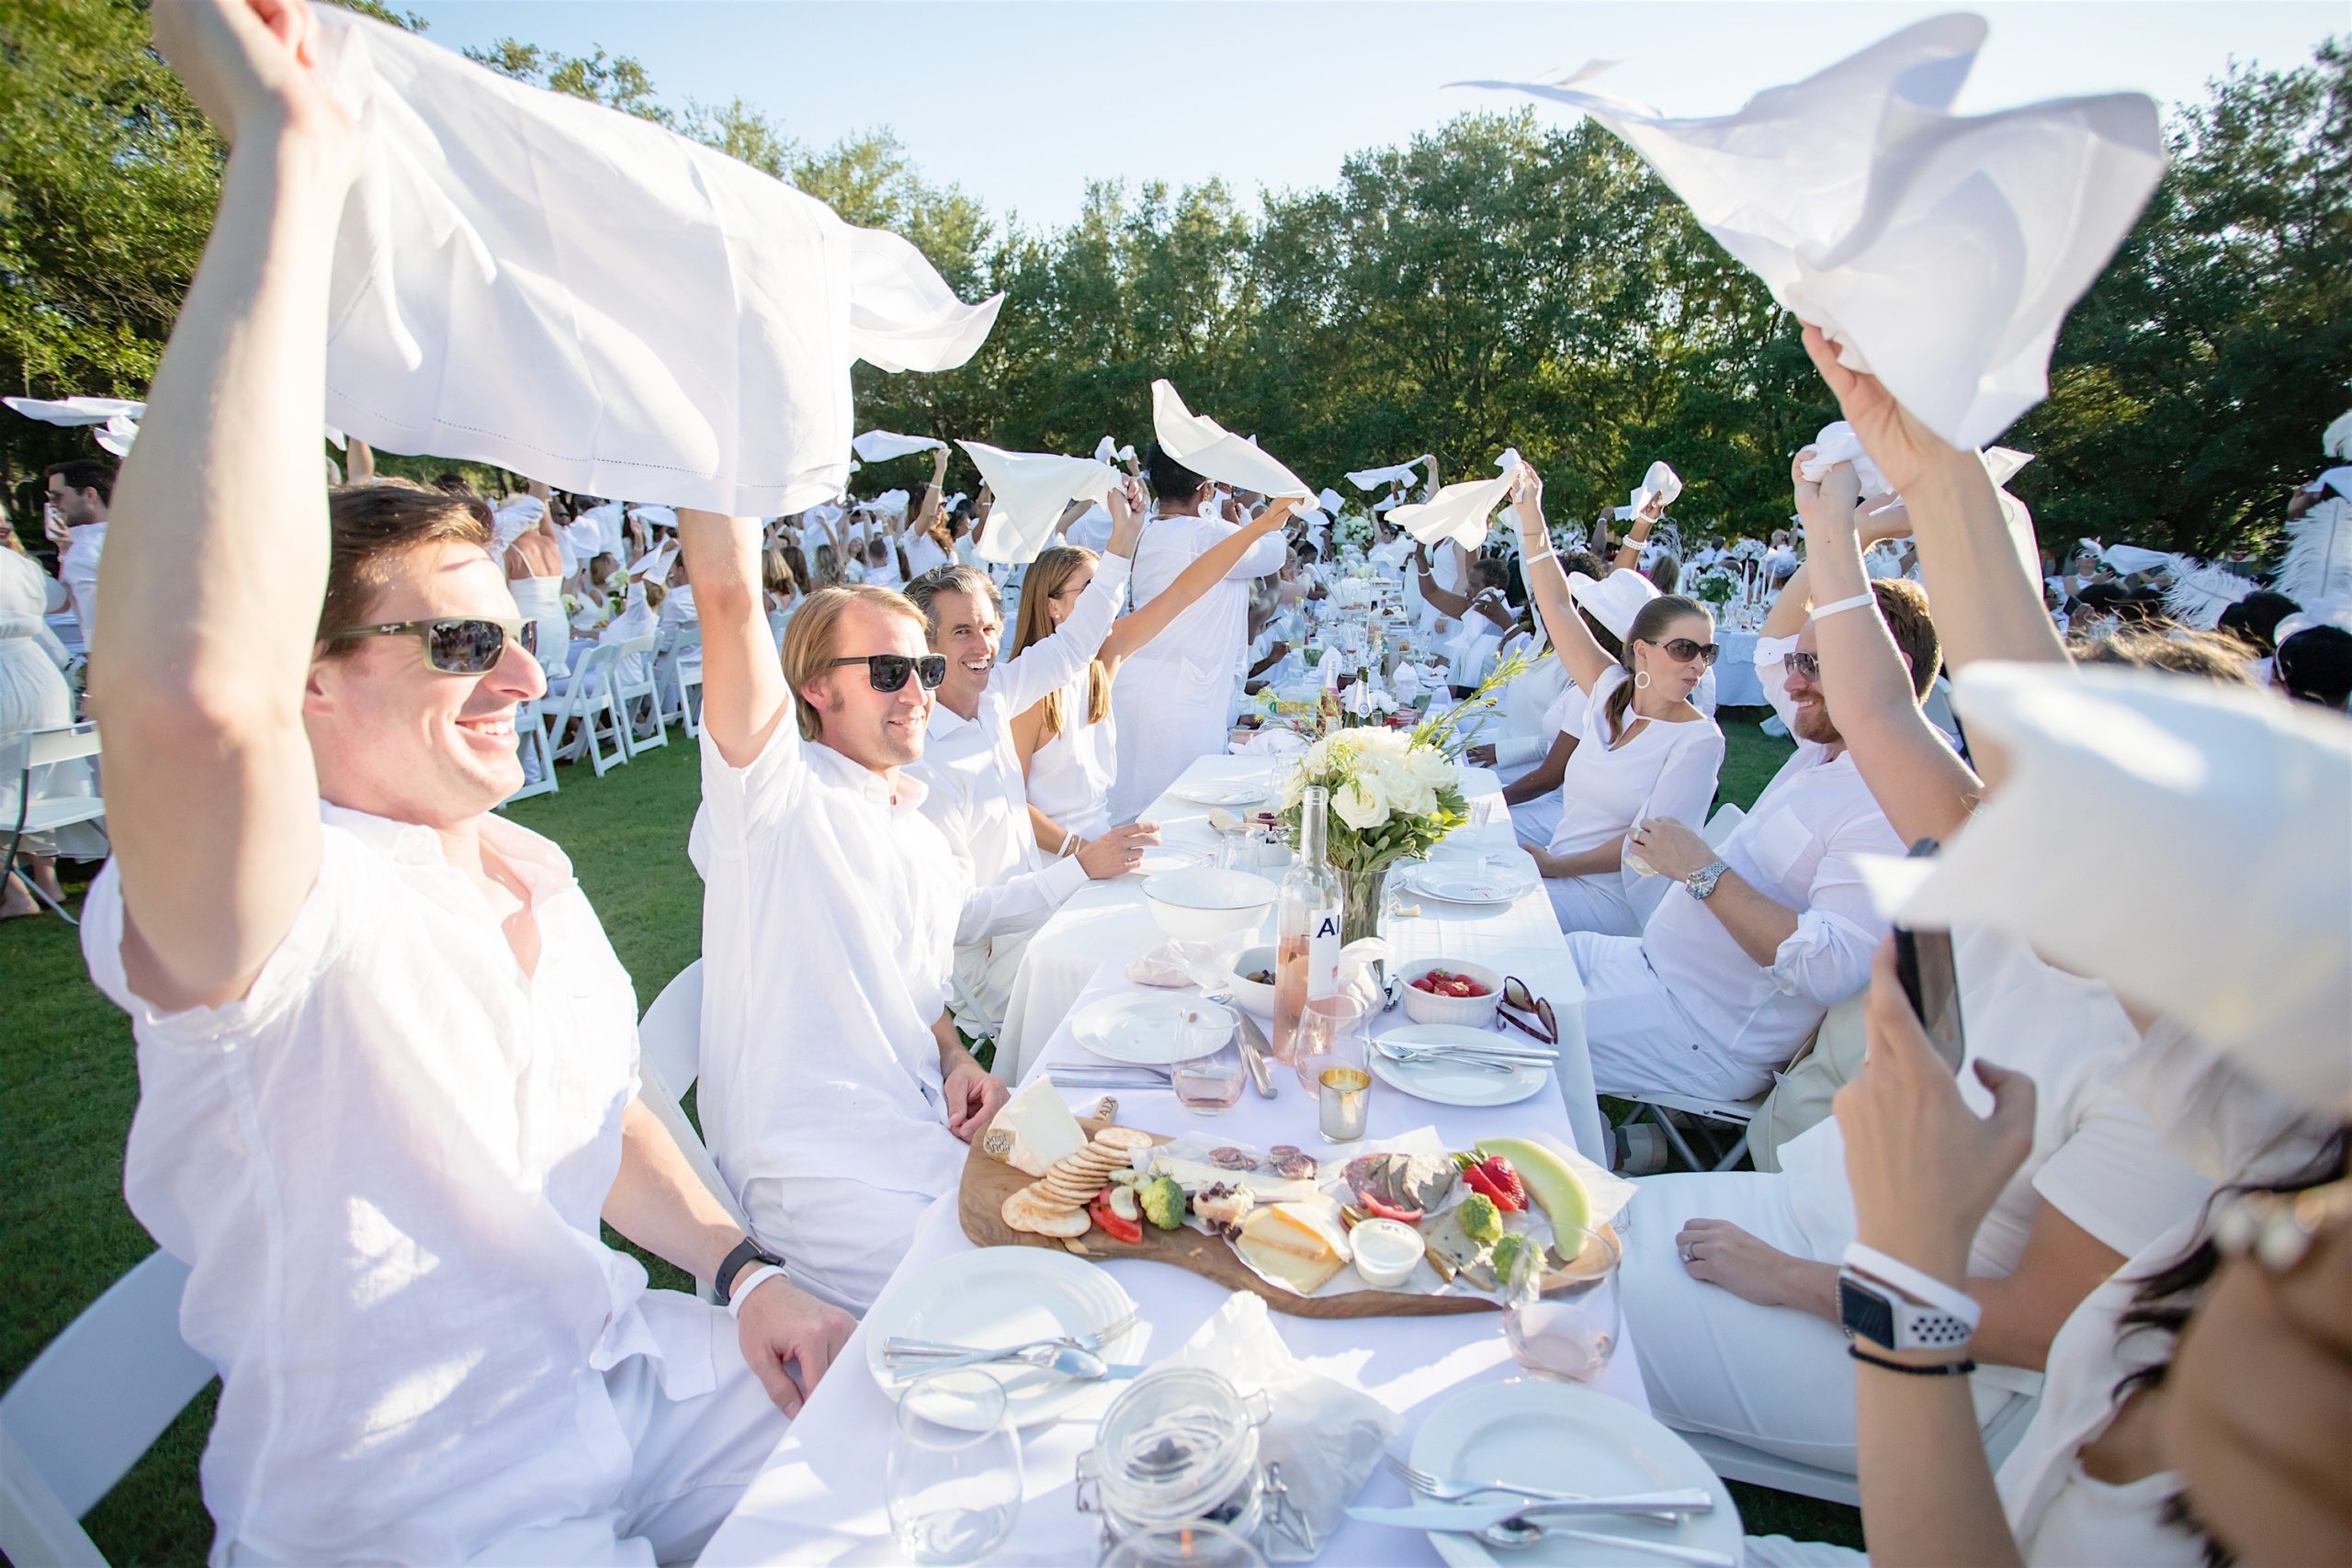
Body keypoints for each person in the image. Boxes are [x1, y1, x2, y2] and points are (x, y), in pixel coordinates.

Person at [74, 6, 853, 1561]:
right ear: (308, 669)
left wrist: (740, 1267)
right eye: (462, 641)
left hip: (628, 1383)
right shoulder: (274, 911)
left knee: (950, 1427)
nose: (529, 675)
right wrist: (286, 166)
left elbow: (606, 1103)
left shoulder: (524, 866)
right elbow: (182, 701)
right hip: (416, 1503)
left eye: (516, 632)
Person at [1623, 418, 2211, 1476]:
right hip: (1795, 1212)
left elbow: (2034, 1327)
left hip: (1906, 1348)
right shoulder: (2008, 855)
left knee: (1545, 1303)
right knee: (1555, 1233)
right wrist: (1837, 527)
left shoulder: (2186, 1065)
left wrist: (1800, 1283)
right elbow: (1874, 700)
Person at [686, 487, 1012, 1310]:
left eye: (925, 669)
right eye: (888, 672)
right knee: (1012, 1293)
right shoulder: (775, 800)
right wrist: (719, 440)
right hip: (808, 1167)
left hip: (909, 1129)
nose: (918, 692)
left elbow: (909, 985)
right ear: (814, 689)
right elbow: (728, 603)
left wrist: (955, 1057)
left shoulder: (904, 812)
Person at [1566, 559, 1934, 1101]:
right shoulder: (1829, 741)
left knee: (1502, 1032)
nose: (1790, 680)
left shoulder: (1893, 802)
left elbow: (1826, 966)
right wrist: (1848, 536)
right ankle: (1600, 1140)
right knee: (1513, 963)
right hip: (1649, 967)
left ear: (1887, 671)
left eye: (1810, 663)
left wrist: (1701, 870)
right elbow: (1770, 645)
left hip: (1701, 1032)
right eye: (1796, 661)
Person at [900, 479, 1163, 1041]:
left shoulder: (994, 696)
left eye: (990, 629)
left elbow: (1075, 644)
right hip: (985, 969)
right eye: (963, 632)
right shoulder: (921, 758)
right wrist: (1078, 868)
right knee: (1134, 983)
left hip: (1039, 919)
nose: (983, 647)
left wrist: (1124, 540)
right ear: (925, 644)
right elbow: (961, 919)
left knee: (1157, 929)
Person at [1009, 494, 1301, 846]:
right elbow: (1009, 804)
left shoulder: (1105, 656)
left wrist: (1262, 526)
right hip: (1053, 861)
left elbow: (1186, 589)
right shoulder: (1026, 685)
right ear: (1052, 606)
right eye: (1091, 589)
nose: (1107, 601)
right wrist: (1083, 853)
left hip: (1103, 846)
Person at [1509, 468, 1725, 935]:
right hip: (1557, 873)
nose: (1698, 666)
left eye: (1708, 653)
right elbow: (1560, 608)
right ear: (1641, 650)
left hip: (1614, 900)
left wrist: (1551, 865)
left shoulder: (1699, 740)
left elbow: (1648, 846)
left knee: (1489, 917)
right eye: (1684, 649)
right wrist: (1531, 516)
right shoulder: (1608, 691)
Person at [1106, 445, 1289, 820]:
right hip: (1185, 700)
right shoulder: (1209, 535)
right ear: (1206, 491)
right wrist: (1249, 518)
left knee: (1127, 807)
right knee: (1179, 813)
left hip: (1134, 684)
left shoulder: (1145, 534)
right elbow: (1274, 551)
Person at [1, 524, 87, 917]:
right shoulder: (16, 563)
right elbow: (58, 600)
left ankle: (18, 894)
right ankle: (48, 881)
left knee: (13, 782)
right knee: (40, 778)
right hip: (39, 675)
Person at [44, 457, 114, 651]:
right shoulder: (133, 534)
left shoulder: (84, 550)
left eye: (57, 497)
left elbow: (96, 627)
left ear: (89, 495)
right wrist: (64, 551)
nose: (54, 507)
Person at [503, 484, 571, 681]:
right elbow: (547, 523)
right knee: (548, 684)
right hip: (558, 625)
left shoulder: (511, 550)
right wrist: (543, 497)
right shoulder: (551, 543)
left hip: (531, 629)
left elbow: (503, 592)